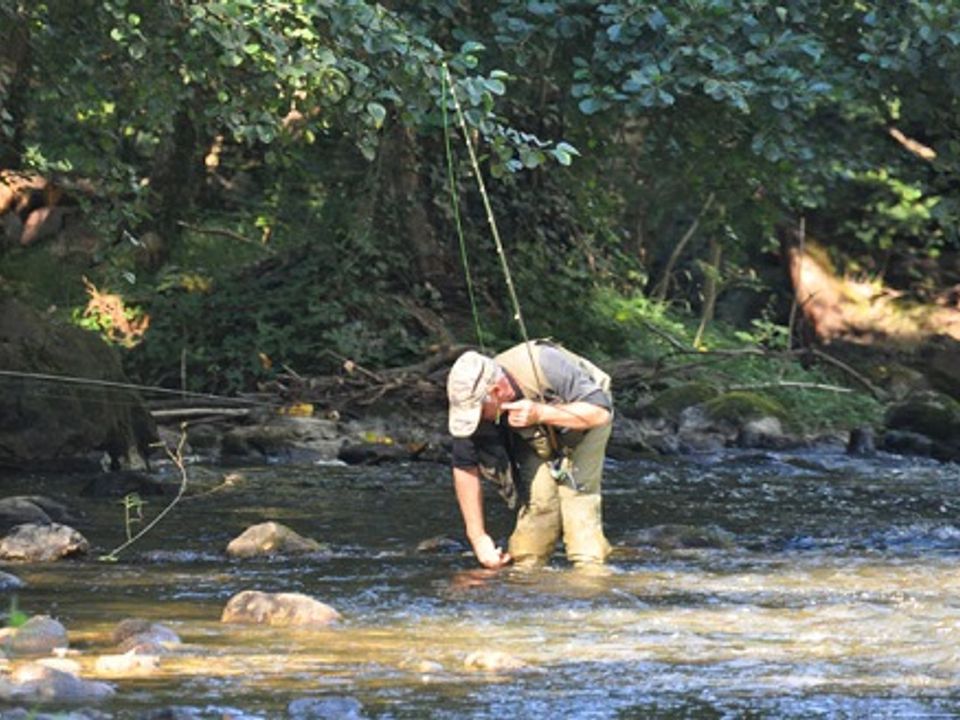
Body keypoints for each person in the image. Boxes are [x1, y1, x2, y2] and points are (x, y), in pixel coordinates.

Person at [446, 339, 614, 569]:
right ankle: (525, 573)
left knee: (577, 498)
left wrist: (540, 413)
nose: (476, 420)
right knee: (540, 502)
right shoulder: (475, 402)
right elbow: (464, 466)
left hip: (588, 414)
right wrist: (478, 538)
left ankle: (590, 573)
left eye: (478, 413)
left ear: (496, 392)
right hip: (533, 430)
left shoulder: (546, 364)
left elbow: (600, 413)